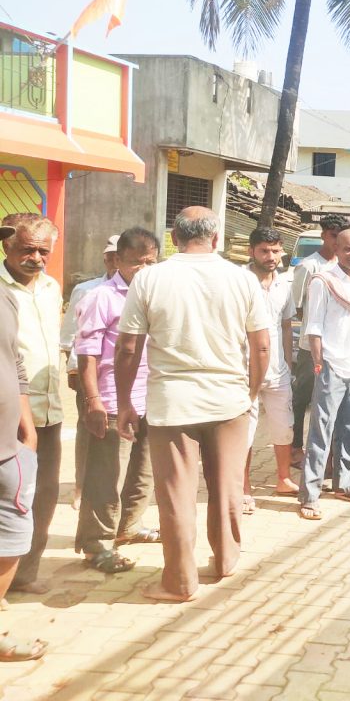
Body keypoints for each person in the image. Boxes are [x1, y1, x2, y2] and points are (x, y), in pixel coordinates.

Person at [116, 207, 270, 601]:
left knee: (176, 497)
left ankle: (180, 583)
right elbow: (262, 345)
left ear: (174, 237)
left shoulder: (150, 278)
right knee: (226, 490)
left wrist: (125, 402)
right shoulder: (242, 280)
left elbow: (129, 346)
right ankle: (224, 562)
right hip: (228, 400)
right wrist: (250, 391)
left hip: (172, 404)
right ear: (216, 238)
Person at [74, 228, 160, 574]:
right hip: (110, 400)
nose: (143, 268)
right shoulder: (101, 297)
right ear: (117, 261)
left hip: (149, 398)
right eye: (136, 262)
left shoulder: (154, 295)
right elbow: (86, 353)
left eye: (150, 261)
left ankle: (129, 527)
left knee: (143, 472)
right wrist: (93, 399)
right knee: (106, 475)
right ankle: (97, 544)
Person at [1, 214, 62, 594]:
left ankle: (26, 574)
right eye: (28, 249)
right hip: (10, 416)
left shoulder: (52, 287)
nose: (36, 258)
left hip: (50, 411)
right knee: (8, 500)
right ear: (7, 246)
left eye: (44, 251)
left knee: (43, 495)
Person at [299, 229, 350, 517]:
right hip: (332, 365)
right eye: (348, 249)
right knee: (321, 431)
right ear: (336, 249)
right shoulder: (323, 281)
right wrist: (319, 364)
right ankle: (309, 495)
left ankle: (346, 485)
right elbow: (314, 327)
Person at [0, 222, 45, 661]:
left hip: (10, 446)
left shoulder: (6, 298)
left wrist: (27, 429)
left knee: (13, 534)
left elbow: (15, 364)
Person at [60, 234, 118, 508]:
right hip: (90, 373)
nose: (113, 261)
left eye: (118, 256)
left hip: (125, 375)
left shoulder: (140, 290)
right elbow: (70, 335)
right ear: (105, 259)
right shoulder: (87, 290)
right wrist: (73, 372)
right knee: (87, 430)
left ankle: (112, 489)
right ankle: (80, 488)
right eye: (110, 257)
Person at [244, 228, 299, 506]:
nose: (271, 256)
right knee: (245, 431)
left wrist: (289, 363)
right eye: (264, 250)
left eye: (276, 251)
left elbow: (287, 325)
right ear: (251, 251)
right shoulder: (239, 281)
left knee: (283, 426)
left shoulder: (284, 284)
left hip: (278, 370)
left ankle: (283, 478)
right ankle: (242, 489)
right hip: (243, 370)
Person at [290, 215, 345, 465]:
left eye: (340, 234)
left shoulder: (345, 266)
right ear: (323, 234)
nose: (336, 240)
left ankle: (328, 453)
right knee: (302, 398)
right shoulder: (309, 266)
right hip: (308, 348)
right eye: (333, 234)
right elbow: (299, 307)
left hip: (336, 350)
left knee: (329, 401)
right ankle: (294, 447)